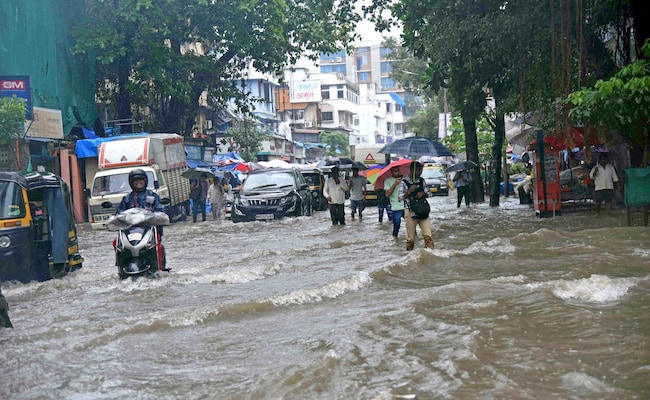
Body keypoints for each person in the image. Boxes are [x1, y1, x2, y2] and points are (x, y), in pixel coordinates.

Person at [117, 168, 167, 268]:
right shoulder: (127, 198)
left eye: (141, 180)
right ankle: (120, 265)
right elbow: (120, 212)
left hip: (149, 230)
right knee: (117, 243)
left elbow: (161, 210)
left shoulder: (153, 196)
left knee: (158, 245)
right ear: (131, 183)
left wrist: (157, 216)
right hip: (130, 231)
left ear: (145, 181)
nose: (138, 182)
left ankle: (160, 266)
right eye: (135, 181)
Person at [399, 161, 434, 250]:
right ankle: (409, 256)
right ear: (411, 170)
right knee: (411, 238)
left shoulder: (422, 181)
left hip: (423, 211)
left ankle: (429, 255)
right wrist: (409, 191)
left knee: (428, 236)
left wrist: (423, 194)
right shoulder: (404, 182)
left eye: (421, 170)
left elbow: (429, 194)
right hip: (410, 212)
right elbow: (400, 198)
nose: (420, 172)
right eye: (418, 170)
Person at [383, 166, 404, 238]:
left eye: (398, 171)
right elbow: (387, 194)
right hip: (395, 207)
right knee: (396, 225)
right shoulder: (387, 181)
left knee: (411, 224)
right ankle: (395, 238)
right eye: (395, 171)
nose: (397, 173)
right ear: (391, 172)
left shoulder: (403, 180)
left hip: (406, 205)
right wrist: (395, 184)